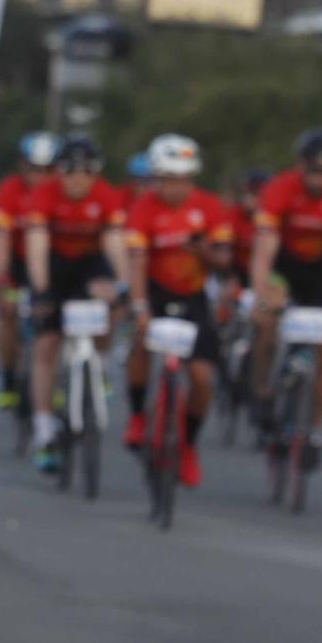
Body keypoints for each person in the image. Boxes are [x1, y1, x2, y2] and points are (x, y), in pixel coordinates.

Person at [247, 128, 322, 471]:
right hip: (283, 270)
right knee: (266, 321)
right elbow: (264, 248)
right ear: (301, 166)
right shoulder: (281, 188)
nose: (320, 179)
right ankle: (263, 388)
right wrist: (260, 293)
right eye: (314, 170)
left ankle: (314, 429)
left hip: (319, 277)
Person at [121, 134, 234, 488]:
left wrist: (203, 251)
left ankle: (187, 445)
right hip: (154, 292)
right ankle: (139, 415)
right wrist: (140, 309)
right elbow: (137, 264)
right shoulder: (144, 209)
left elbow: (224, 259)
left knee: (202, 378)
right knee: (141, 340)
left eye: (182, 180)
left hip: (193, 297)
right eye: (168, 179)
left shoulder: (211, 207)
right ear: (156, 178)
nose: (175, 188)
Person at [22, 135, 127, 473]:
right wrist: (41, 289)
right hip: (54, 267)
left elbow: (114, 244)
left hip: (90, 267)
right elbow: (37, 244)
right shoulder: (44, 194)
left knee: (111, 304)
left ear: (95, 173)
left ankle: (101, 363)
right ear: (60, 172)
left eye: (86, 173)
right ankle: (43, 428)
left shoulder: (107, 196)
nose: (78, 180)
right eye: (70, 172)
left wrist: (122, 284)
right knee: (47, 344)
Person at [0, 131, 61, 411]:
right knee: (7, 314)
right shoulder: (10, 190)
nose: (40, 176)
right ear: (22, 166)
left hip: (52, 263)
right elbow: (2, 238)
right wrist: (2, 277)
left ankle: (51, 381)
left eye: (47, 170)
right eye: (33, 169)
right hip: (18, 263)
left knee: (59, 324)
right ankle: (8, 379)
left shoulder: (61, 191)